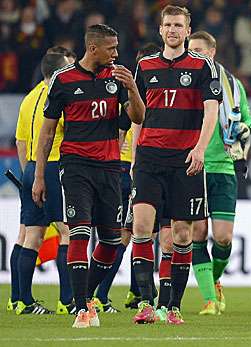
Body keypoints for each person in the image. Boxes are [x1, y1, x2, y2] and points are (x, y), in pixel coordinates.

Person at [32, 23, 145, 328]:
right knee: (80, 232)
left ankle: (88, 296)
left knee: (110, 241)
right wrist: (40, 176)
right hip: (76, 167)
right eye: (112, 48)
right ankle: (81, 308)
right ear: (93, 48)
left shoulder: (118, 77)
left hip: (110, 167)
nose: (116, 53)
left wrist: (132, 88)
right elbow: (47, 133)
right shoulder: (63, 81)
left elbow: (138, 117)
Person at [131, 5, 220, 325]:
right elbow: (137, 114)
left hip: (186, 160)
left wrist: (200, 148)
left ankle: (172, 306)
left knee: (181, 235)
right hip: (149, 158)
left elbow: (211, 112)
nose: (172, 30)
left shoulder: (203, 66)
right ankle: (145, 302)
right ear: (160, 30)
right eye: (167, 24)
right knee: (142, 228)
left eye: (178, 25)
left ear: (187, 29)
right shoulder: (145, 66)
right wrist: (133, 154)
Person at [187, 30, 251, 315]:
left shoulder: (233, 86)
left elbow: (245, 124)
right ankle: (208, 299)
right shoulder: (185, 84)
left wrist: (242, 154)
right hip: (194, 166)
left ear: (212, 52)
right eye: (192, 51)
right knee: (198, 233)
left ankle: (213, 280)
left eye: (200, 50)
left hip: (224, 167)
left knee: (223, 237)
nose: (195, 56)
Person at [94, 43, 163, 314]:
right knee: (129, 235)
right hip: (132, 169)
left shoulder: (127, 89)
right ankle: (101, 294)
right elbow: (127, 128)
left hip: (130, 167)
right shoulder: (136, 95)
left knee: (142, 234)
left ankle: (137, 291)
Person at [12, 52, 72, 316]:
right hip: (54, 166)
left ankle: (22, 300)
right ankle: (67, 301)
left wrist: (31, 176)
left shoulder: (29, 98)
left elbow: (20, 141)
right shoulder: (58, 95)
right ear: (59, 72)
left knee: (32, 235)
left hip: (31, 168)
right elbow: (66, 131)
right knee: (69, 231)